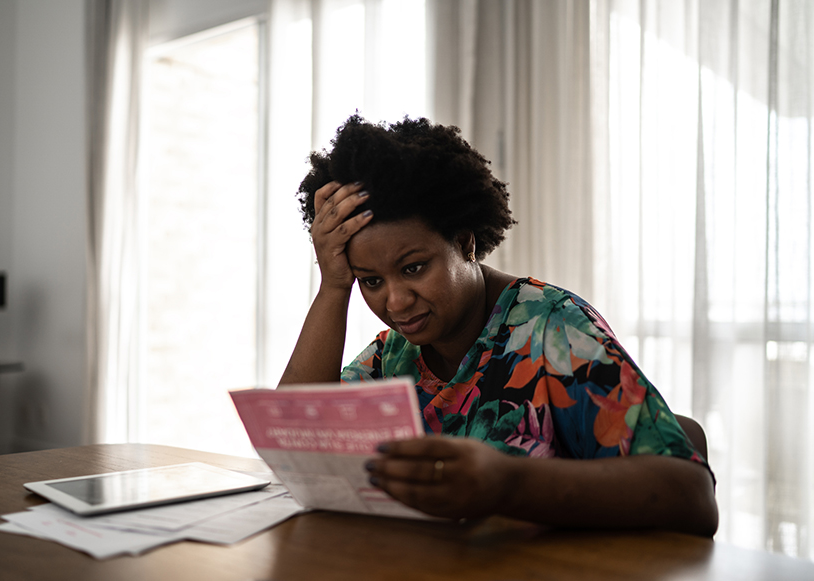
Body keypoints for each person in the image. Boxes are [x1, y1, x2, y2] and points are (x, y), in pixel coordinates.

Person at [280, 114, 718, 537]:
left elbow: (692, 496)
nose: (394, 301)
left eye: (413, 268)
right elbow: (293, 450)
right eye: (370, 281)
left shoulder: (552, 329)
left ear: (465, 243)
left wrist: (508, 483)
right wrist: (334, 287)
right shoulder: (394, 354)